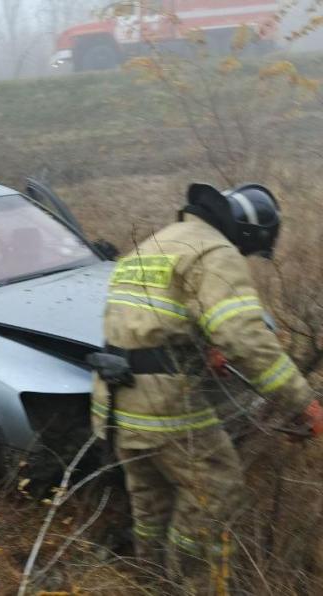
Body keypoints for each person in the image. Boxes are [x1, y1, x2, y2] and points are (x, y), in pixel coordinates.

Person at [90, 182, 323, 593]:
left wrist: (202, 348)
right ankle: (197, 584)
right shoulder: (216, 252)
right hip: (163, 404)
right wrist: (302, 403)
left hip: (114, 400)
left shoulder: (157, 243)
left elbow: (150, 322)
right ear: (251, 235)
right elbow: (244, 335)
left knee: (152, 504)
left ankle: (153, 584)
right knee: (218, 493)